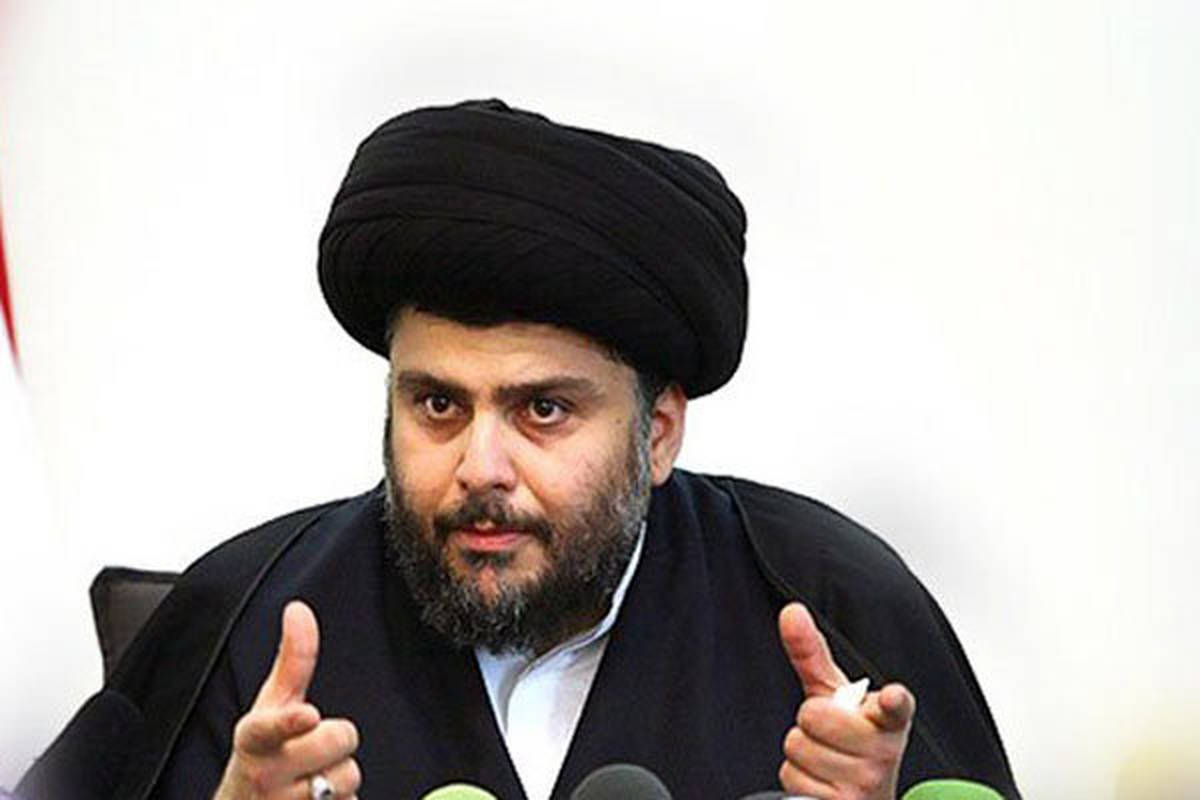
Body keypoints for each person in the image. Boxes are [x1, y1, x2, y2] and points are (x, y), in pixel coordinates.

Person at [18, 99, 1019, 800]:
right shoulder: (242, 618)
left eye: (542, 410)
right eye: (437, 404)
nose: (480, 467)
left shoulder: (835, 603)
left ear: (658, 432)